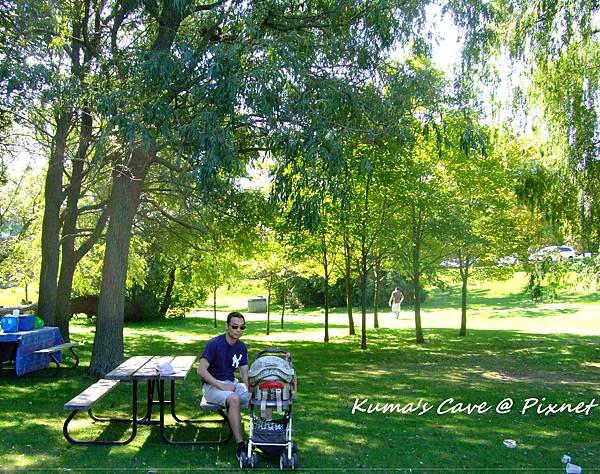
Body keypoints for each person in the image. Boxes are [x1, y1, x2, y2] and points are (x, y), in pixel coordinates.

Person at [198, 311, 251, 462]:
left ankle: (266, 438)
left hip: (231, 383)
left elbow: (244, 372)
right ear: (227, 326)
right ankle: (240, 445)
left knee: (261, 394)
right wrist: (221, 385)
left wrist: (250, 387)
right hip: (211, 387)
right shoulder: (214, 344)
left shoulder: (241, 347)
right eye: (235, 326)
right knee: (234, 399)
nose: (238, 330)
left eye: (242, 327)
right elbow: (201, 370)